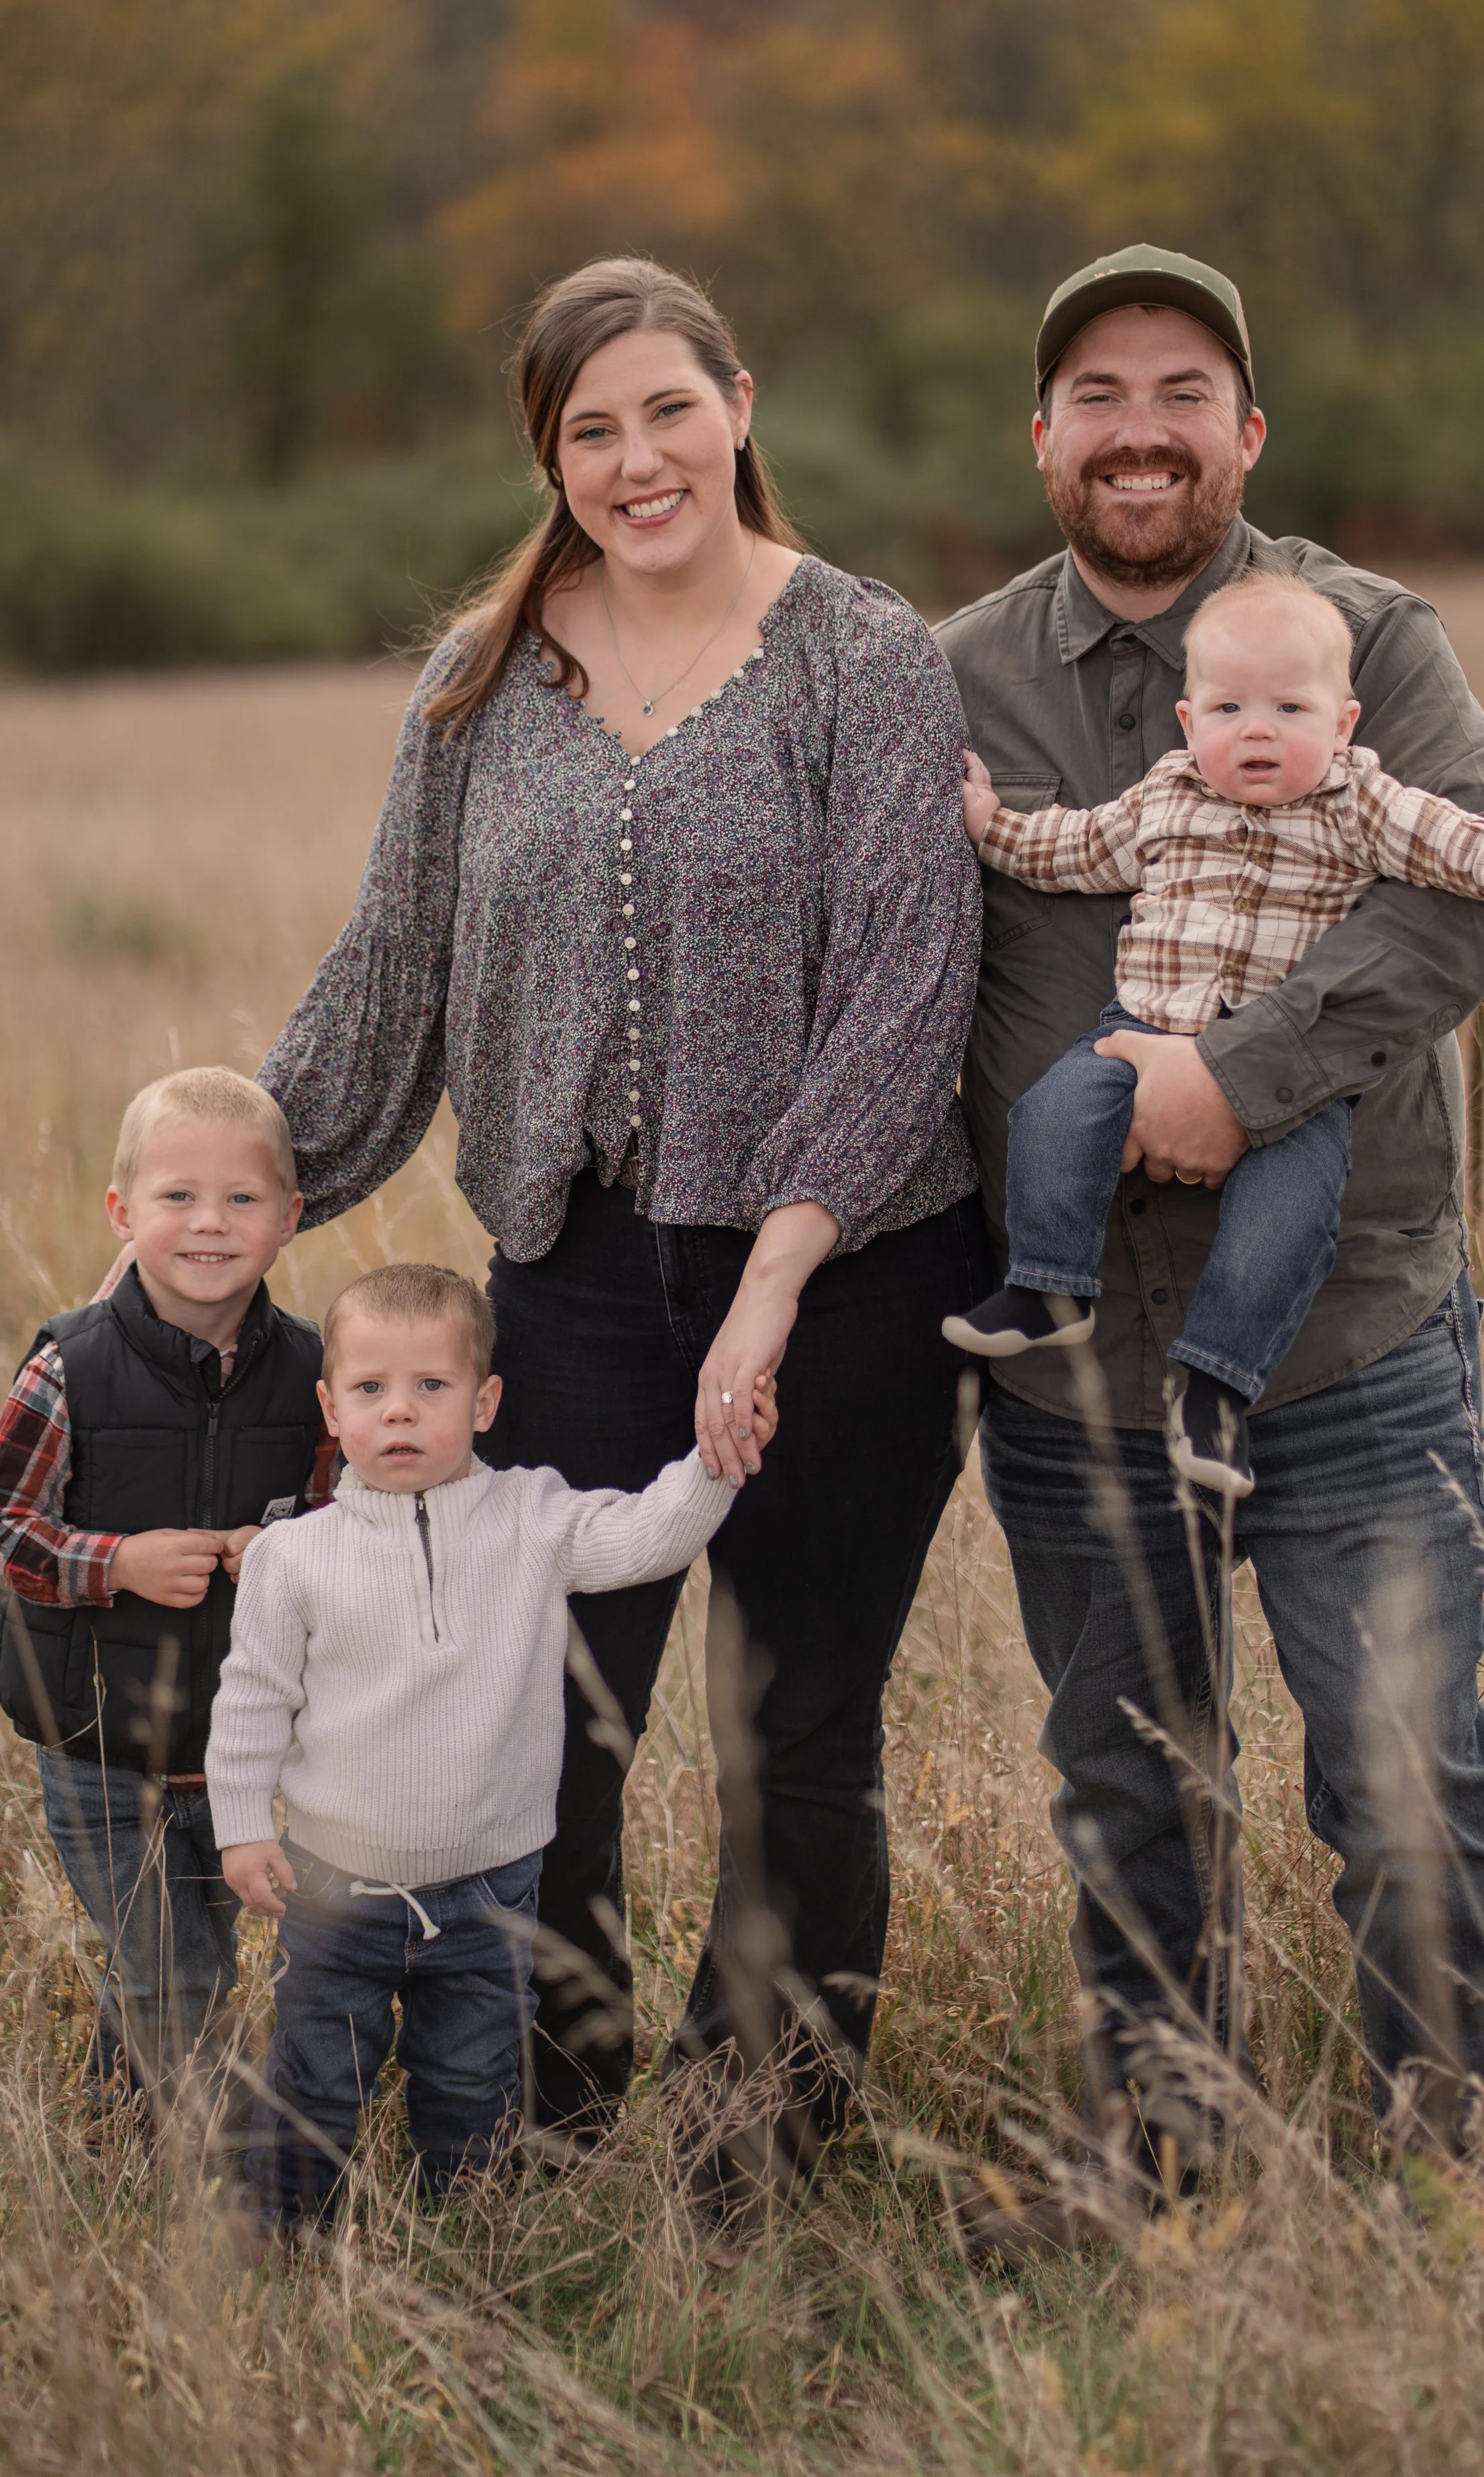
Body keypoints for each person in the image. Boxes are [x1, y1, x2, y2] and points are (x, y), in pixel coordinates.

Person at [256, 256, 987, 2188]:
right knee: (547, 1743)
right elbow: (384, 979)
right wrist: (225, 1208)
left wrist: (770, 1283)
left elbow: (906, 992)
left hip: (845, 1285)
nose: (638, 457)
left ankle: (759, 2153)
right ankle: (533, 2142)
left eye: (670, 408)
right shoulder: (484, 682)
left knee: (792, 1738)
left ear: (739, 405)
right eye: (592, 428)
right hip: (569, 1286)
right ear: (550, 458)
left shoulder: (865, 657)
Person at [936, 243, 1484, 2178]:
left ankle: (1475, 2185)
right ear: (1042, 437)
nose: (1140, 431)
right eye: (1098, 397)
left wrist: (1240, 1076)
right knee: (1129, 1787)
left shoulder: (1371, 634)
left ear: (1243, 430)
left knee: (1398, 1771)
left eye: (1180, 391)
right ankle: (1174, 2175)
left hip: (1345, 1330)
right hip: (1077, 1368)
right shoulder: (961, 674)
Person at [945, 570, 1484, 1496]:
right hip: (1139, 1027)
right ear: (1189, 720)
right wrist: (990, 823)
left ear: (1343, 723)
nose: (1257, 729)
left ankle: (1214, 1384)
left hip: (1291, 1077)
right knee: (1051, 1116)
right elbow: (1070, 848)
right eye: (1230, 707)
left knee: (1285, 1222)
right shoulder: (1166, 794)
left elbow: (1439, 833)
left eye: (1290, 707)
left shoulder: (1357, 802)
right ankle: (1051, 1285)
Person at [209, 1263, 773, 2226]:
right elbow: (253, 1699)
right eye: (371, 1389)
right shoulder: (294, 1557)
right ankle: (285, 2241)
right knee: (316, 2074)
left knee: (473, 2080)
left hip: (492, 1885)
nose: (400, 1413)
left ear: (485, 1402)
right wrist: (241, 1829)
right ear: (330, 1406)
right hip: (335, 1882)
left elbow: (643, 1538)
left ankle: (467, 2238)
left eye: (431, 1388)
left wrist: (717, 1460)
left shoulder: (530, 1518)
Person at [0, 1067, 325, 2104]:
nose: (209, 1224)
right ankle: (195, 2167)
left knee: (182, 1957)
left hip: (226, 1752)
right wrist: (118, 1560)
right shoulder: (71, 1366)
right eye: (178, 1196)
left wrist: (278, 1548)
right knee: (183, 1974)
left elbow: (338, 1532)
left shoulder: (315, 1376)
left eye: (241, 1199)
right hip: (96, 1742)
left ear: (288, 1216)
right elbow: (6, 1526)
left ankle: (113, 2109)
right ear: (122, 1211)